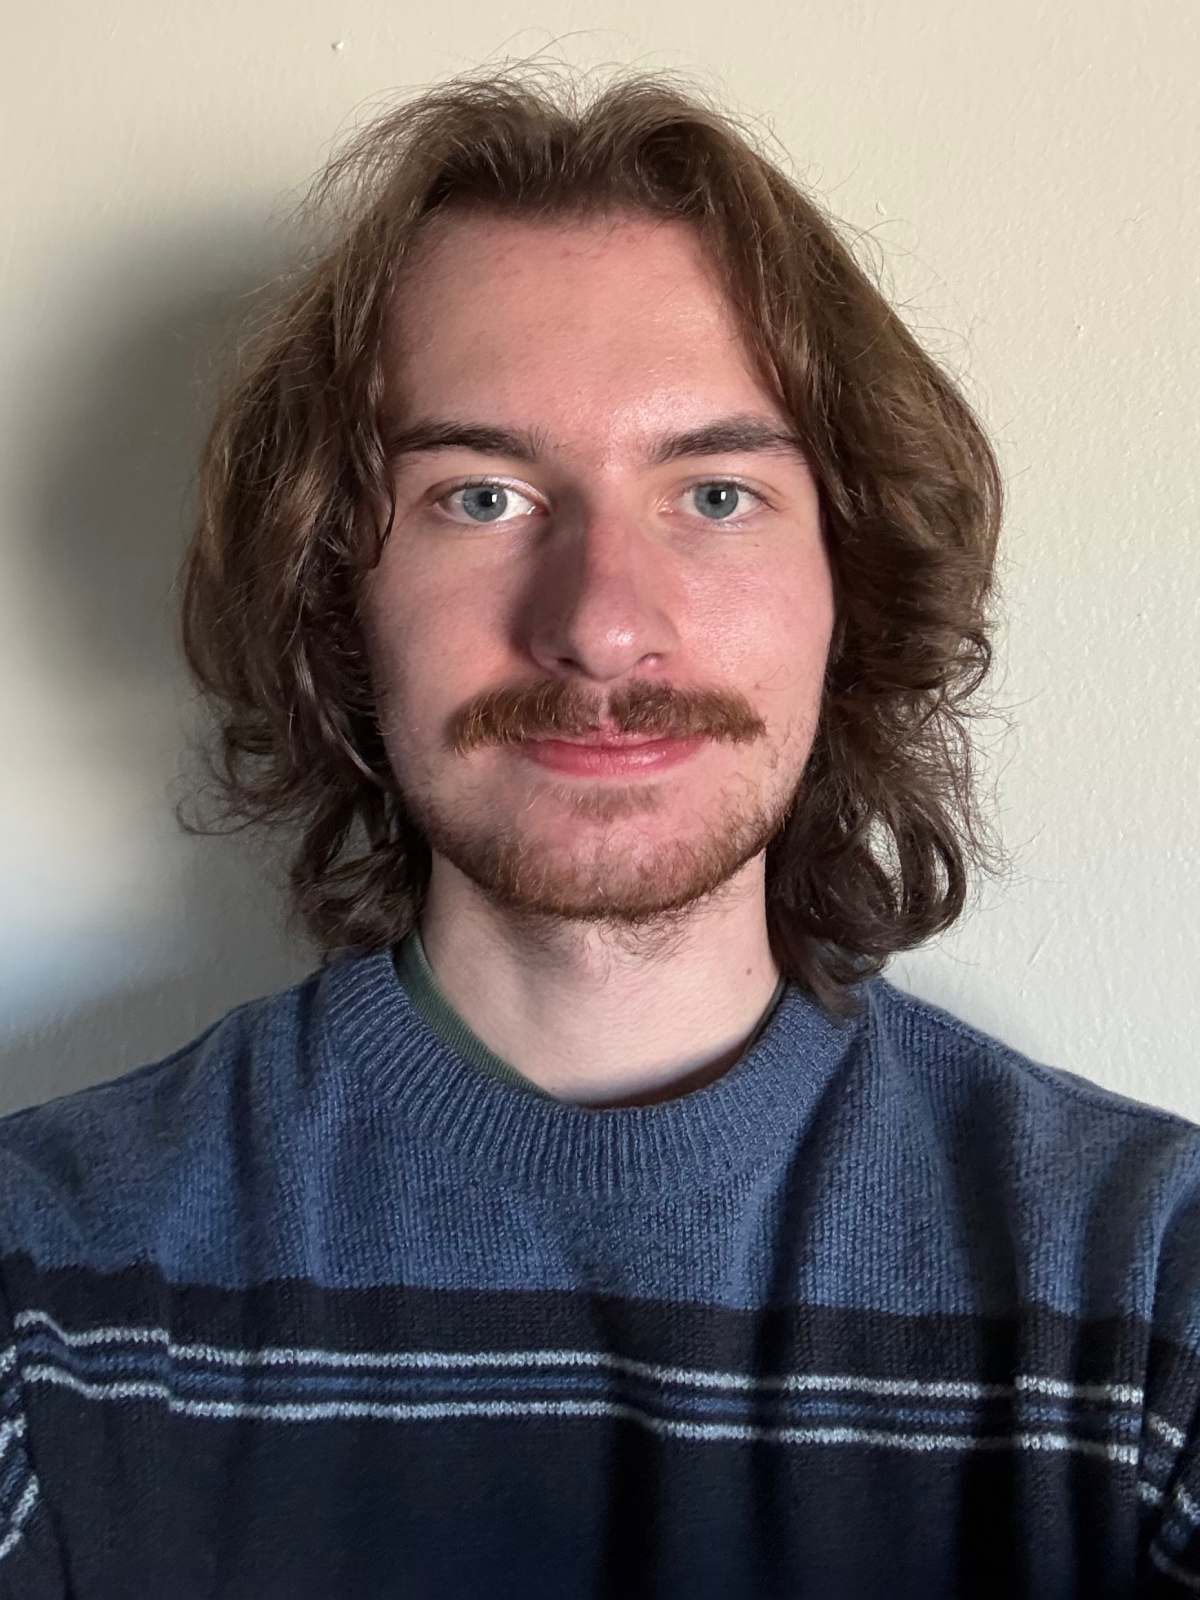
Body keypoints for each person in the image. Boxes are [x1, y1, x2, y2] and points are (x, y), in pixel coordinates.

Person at [0, 64, 1196, 1600]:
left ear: (854, 585)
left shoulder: (1149, 1302)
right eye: (481, 497)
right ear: (336, 600)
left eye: (713, 493)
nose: (602, 627)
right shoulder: (49, 1295)